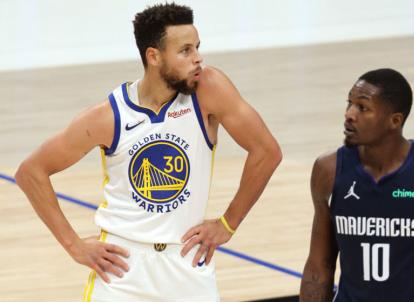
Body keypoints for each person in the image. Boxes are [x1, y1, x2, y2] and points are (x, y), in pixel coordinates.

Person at [15, 3, 282, 302]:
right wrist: (73, 245)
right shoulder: (108, 116)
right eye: (185, 51)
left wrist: (228, 223)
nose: (198, 58)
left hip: (187, 262)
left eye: (197, 47)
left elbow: (267, 151)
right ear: (153, 56)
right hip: (122, 267)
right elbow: (30, 172)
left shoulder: (209, 89)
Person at [300, 68, 414, 302]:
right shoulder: (328, 170)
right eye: (349, 104)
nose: (349, 114)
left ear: (394, 121)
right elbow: (319, 267)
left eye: (362, 107)